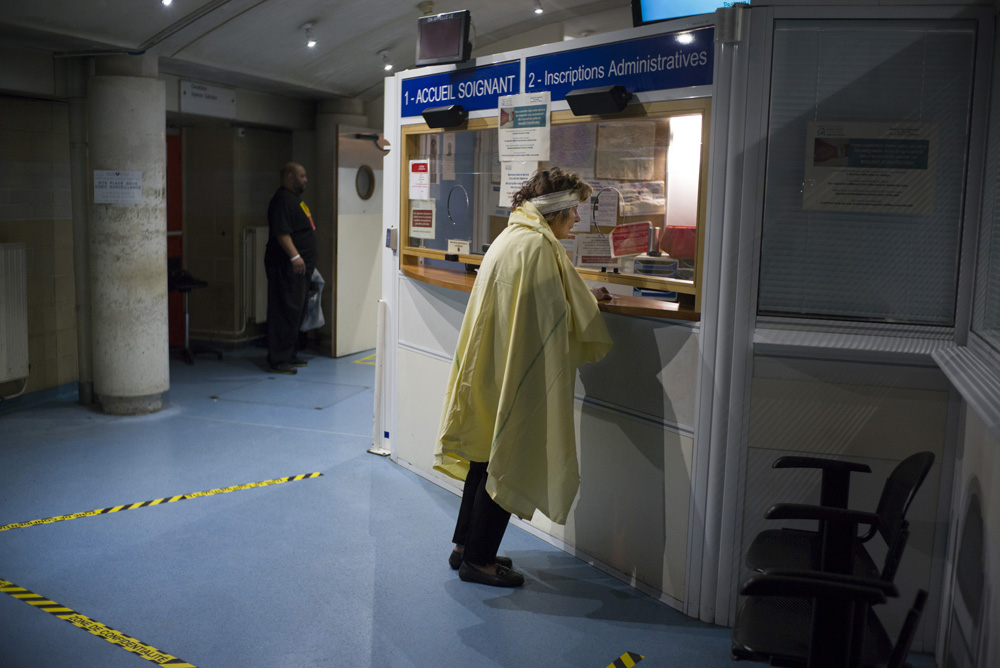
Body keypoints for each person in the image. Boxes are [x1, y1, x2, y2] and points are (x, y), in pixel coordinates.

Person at [434, 168, 614, 587]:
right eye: (573, 217)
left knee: (483, 454)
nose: (574, 227)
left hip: (490, 368)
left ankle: (464, 546)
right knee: (508, 455)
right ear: (556, 214)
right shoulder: (537, 248)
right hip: (513, 374)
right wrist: (591, 303)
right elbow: (558, 316)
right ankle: (479, 562)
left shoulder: (512, 236)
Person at [265, 162, 316, 375]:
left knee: (296, 311)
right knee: (285, 310)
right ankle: (279, 359)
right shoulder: (283, 200)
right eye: (302, 176)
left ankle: (290, 354)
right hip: (285, 267)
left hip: (299, 270)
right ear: (289, 176)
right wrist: (295, 256)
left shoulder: (295, 200)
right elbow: (282, 233)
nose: (305, 180)